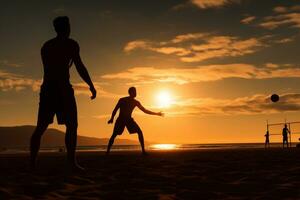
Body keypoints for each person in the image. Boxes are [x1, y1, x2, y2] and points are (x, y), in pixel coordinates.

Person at [30, 16, 96, 171]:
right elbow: (79, 66)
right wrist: (91, 85)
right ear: (66, 27)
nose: (69, 28)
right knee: (71, 125)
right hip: (61, 89)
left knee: (42, 127)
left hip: (48, 89)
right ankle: (70, 163)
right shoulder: (70, 44)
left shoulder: (46, 46)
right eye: (68, 25)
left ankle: (33, 164)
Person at [106, 87, 164, 155]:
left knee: (139, 132)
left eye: (135, 91)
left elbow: (145, 110)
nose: (135, 93)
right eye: (134, 91)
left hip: (129, 120)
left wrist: (156, 114)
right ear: (130, 92)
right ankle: (107, 152)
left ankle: (143, 151)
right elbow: (115, 109)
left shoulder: (136, 102)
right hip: (121, 120)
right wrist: (112, 118)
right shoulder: (122, 100)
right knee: (114, 135)